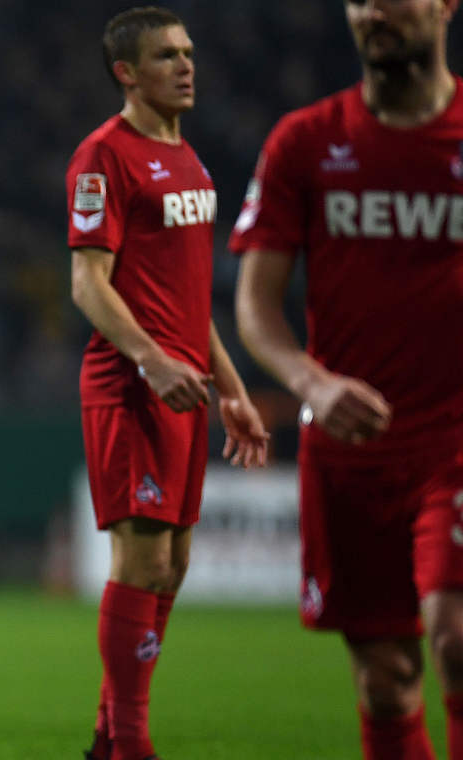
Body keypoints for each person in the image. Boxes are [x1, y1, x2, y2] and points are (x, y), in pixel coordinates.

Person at [232, 1, 463, 757]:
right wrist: (312, 382)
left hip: (456, 441)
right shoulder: (306, 142)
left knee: (456, 640)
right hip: (351, 451)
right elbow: (256, 304)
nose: (374, 12)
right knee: (386, 677)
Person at [67, 8, 269, 760]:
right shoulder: (103, 157)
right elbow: (89, 283)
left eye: (188, 53)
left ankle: (107, 734)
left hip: (182, 387)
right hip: (128, 385)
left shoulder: (192, 163)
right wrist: (150, 358)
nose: (186, 66)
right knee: (143, 562)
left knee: (174, 566)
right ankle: (133, 744)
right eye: (165, 56)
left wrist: (234, 388)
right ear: (126, 72)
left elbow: (189, 302)